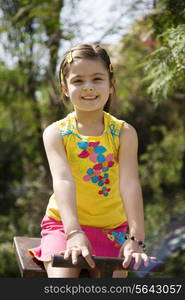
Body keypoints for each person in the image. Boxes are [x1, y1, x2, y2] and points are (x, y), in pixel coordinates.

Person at [28, 43, 150, 278]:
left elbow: (130, 184)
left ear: (111, 84)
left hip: (113, 230)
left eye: (97, 79)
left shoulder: (124, 133)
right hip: (64, 227)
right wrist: (74, 233)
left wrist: (136, 239)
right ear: (65, 88)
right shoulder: (56, 133)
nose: (88, 88)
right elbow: (63, 181)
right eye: (78, 81)